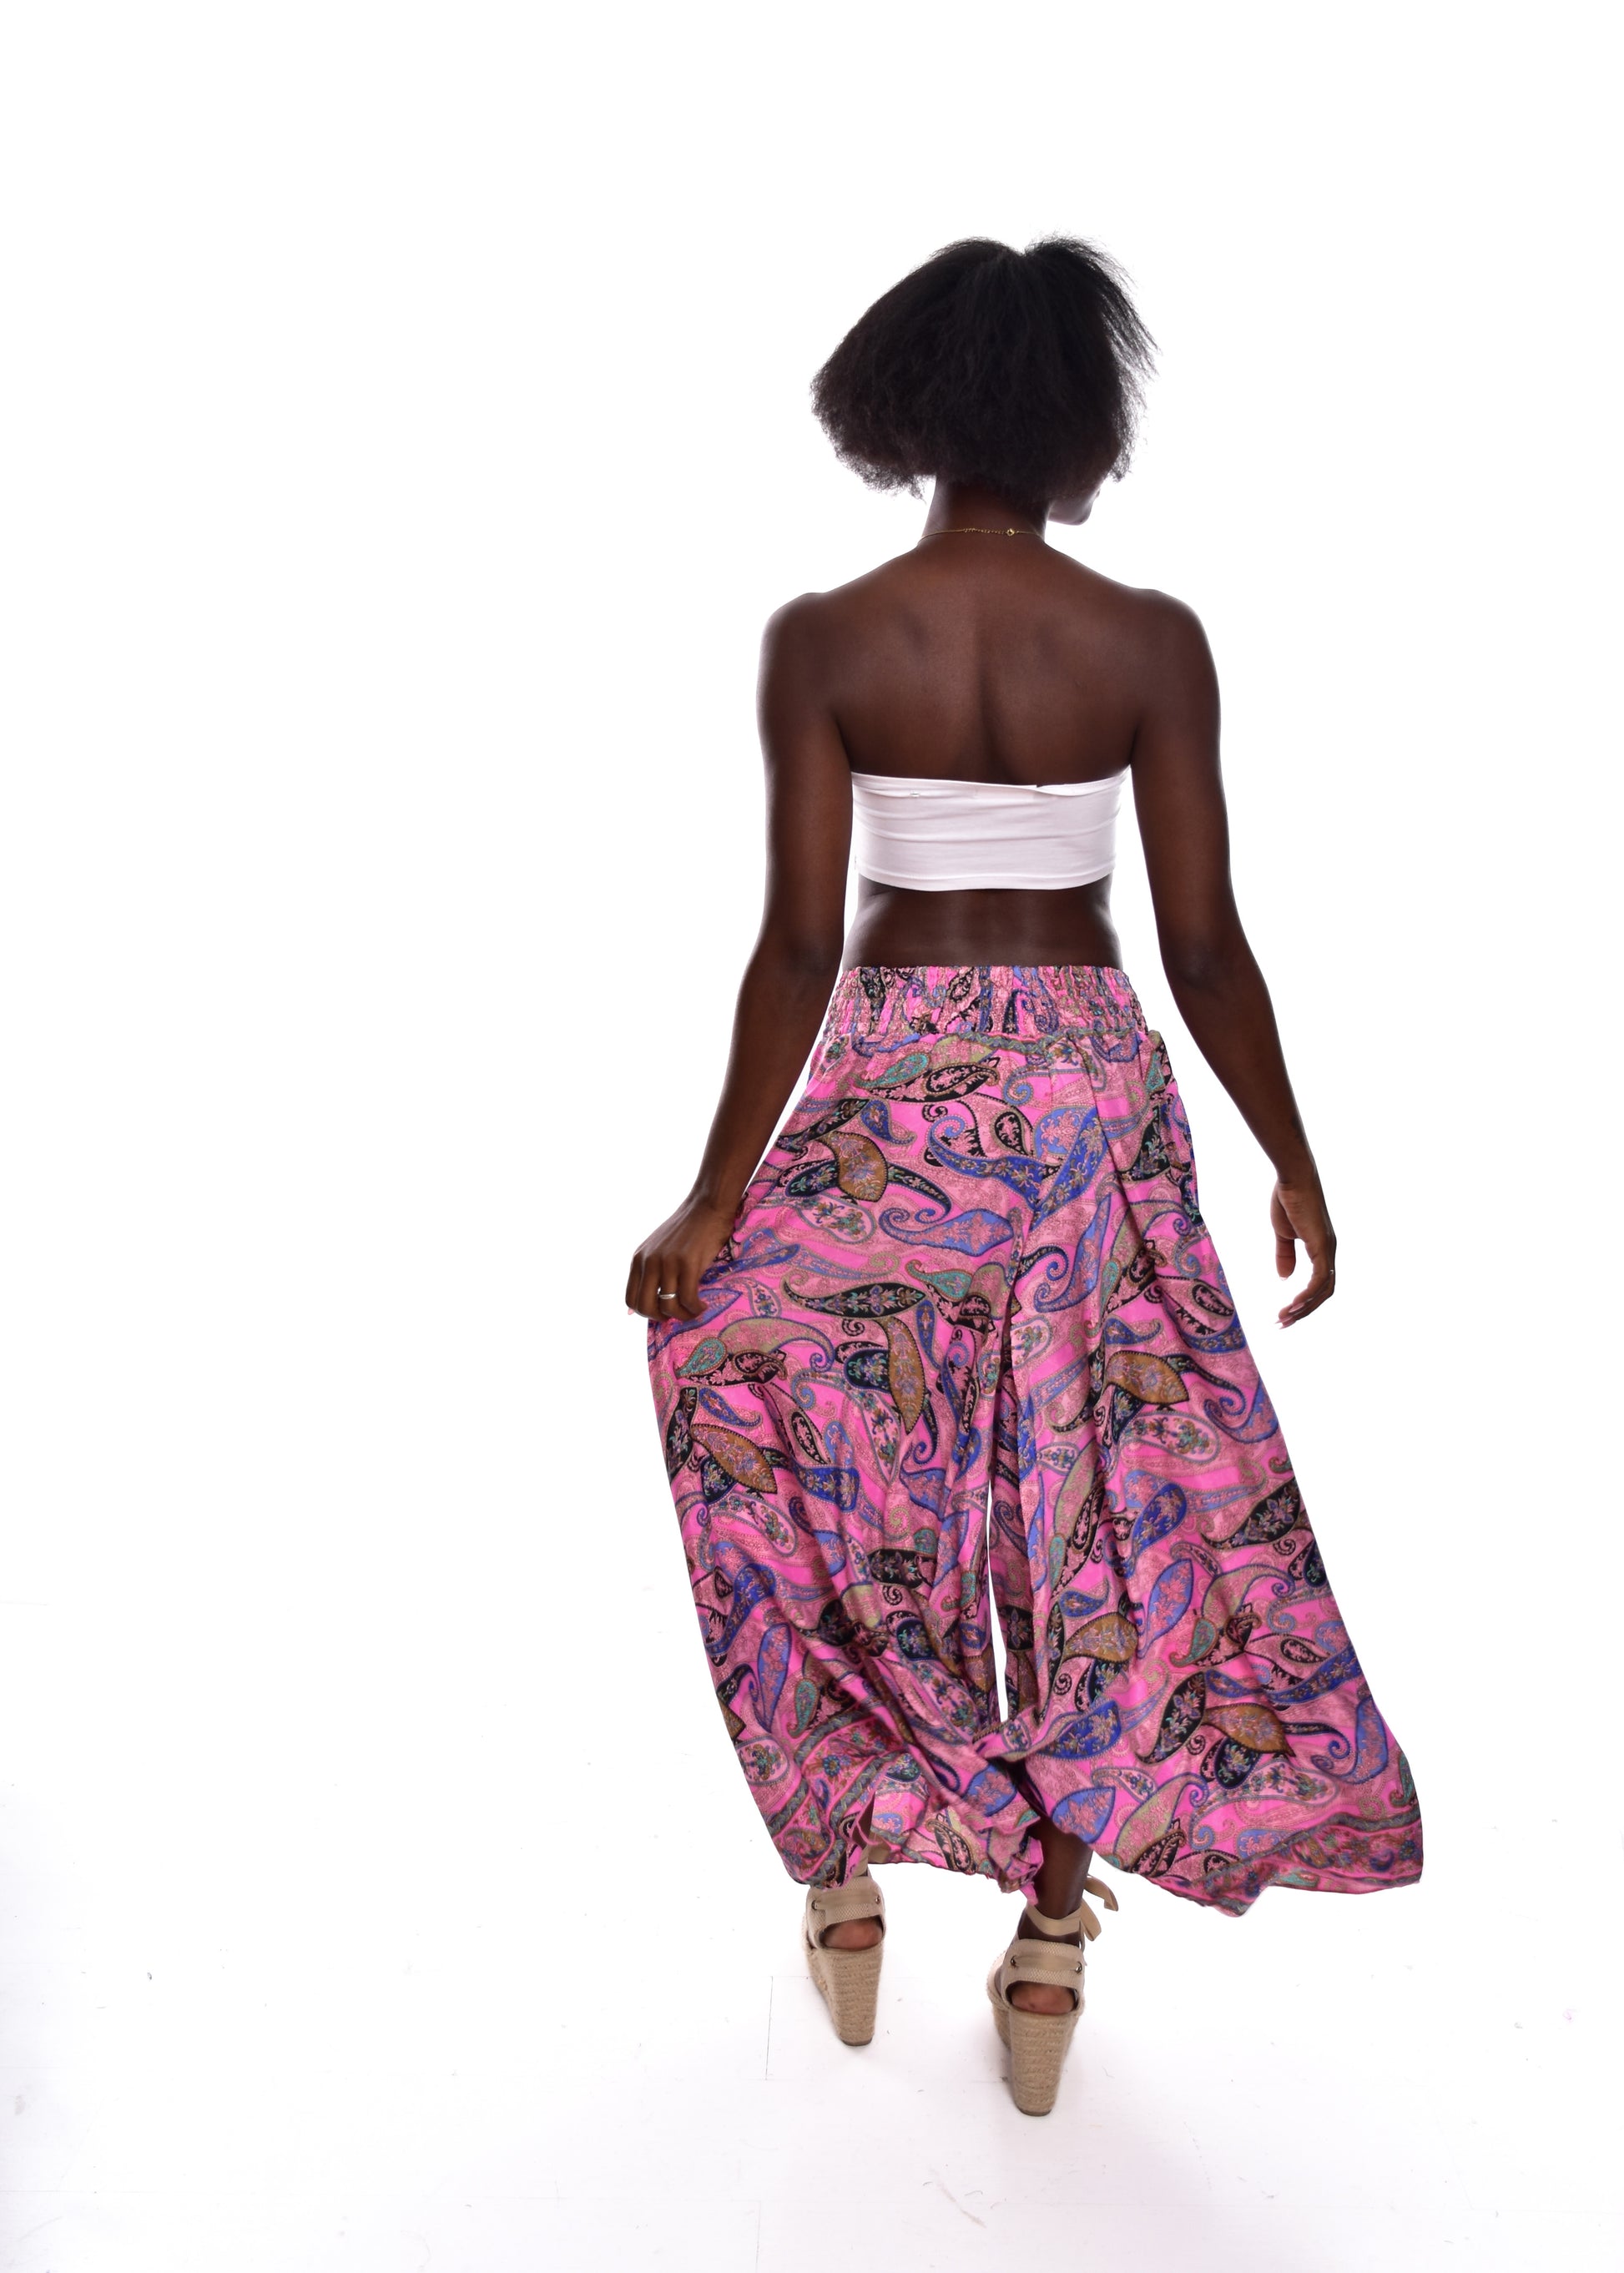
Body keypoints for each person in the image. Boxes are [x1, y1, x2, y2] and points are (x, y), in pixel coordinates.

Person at [626, 235, 1421, 2116]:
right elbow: (1203, 944)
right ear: (1077, 422)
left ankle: (844, 1855)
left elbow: (795, 947)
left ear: (908, 415)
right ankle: (1051, 1936)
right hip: (1082, 1097)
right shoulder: (1147, 639)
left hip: (895, 1080)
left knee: (779, 1405)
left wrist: (715, 1194)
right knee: (1088, 1501)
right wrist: (1291, 1153)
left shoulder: (825, 636)